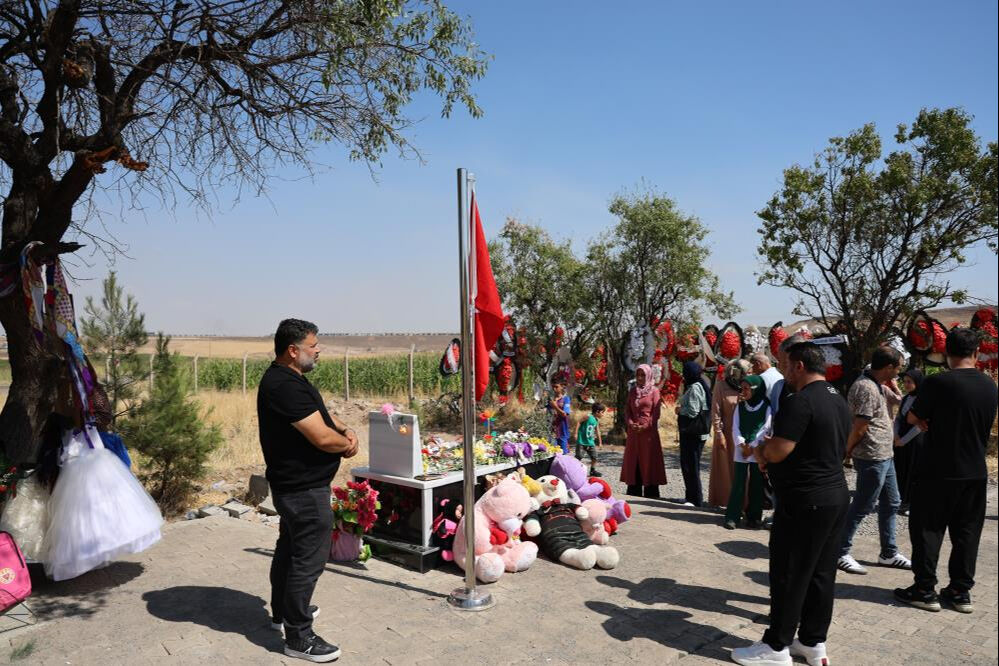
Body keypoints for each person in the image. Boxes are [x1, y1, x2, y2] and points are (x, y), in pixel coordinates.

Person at [731, 342, 850, 666]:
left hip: (805, 500)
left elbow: (777, 450)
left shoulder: (801, 401)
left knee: (789, 572)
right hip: (834, 496)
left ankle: (776, 646)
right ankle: (812, 643)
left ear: (799, 366)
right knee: (821, 574)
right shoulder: (838, 398)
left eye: (785, 364)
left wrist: (761, 452)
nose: (782, 370)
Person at [258, 319, 359, 663]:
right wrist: (344, 444)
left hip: (295, 486)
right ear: (293, 350)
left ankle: (281, 612)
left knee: (289, 549)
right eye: (313, 345)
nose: (318, 351)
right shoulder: (283, 385)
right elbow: (319, 436)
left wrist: (344, 428)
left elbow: (322, 418)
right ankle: (298, 636)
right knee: (308, 560)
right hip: (302, 489)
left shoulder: (291, 379)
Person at [895, 328, 999, 614]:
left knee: (928, 530)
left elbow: (914, 416)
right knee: (967, 533)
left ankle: (924, 589)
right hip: (975, 471)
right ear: (976, 353)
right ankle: (960, 591)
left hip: (938, 469)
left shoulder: (938, 382)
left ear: (945, 354)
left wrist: (928, 419)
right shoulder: (990, 385)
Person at [837, 346, 911, 575]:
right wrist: (845, 453)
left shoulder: (877, 383)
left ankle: (888, 553)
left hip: (885, 454)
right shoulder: (866, 387)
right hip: (871, 455)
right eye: (898, 367)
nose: (899, 372)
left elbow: (899, 400)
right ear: (888, 367)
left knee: (892, 502)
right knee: (863, 504)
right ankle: (839, 551)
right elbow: (860, 427)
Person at [724, 375, 771, 530]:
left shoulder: (766, 406)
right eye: (742, 388)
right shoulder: (741, 406)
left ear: (755, 390)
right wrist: (742, 444)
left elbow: (766, 427)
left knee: (756, 483)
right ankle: (733, 516)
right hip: (742, 449)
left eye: (746, 389)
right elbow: (735, 426)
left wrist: (753, 445)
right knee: (738, 482)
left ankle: (754, 516)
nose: (743, 392)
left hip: (757, 449)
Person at [621, 364, 667, 498]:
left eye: (643, 375)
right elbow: (627, 411)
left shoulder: (654, 391)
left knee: (649, 461)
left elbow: (656, 414)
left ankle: (650, 493)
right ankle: (634, 491)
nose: (640, 378)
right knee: (634, 460)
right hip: (634, 433)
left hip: (648, 434)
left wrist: (645, 426)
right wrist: (630, 424)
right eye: (638, 375)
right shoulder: (633, 391)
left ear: (649, 376)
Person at [708, 359, 749, 508]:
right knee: (725, 469)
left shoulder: (746, 387)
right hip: (726, 434)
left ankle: (744, 503)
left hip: (744, 434)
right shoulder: (721, 386)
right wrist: (719, 433)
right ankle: (725, 501)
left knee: (744, 470)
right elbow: (716, 411)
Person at [675, 361, 712, 507]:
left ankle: (695, 499)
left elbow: (693, 411)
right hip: (692, 433)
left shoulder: (695, 388)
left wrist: (680, 410)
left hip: (693, 434)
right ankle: (690, 497)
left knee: (691, 465)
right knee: (688, 464)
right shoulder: (696, 385)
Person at [892, 368, 925, 515]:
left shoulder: (923, 400)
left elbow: (920, 426)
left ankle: (910, 503)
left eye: (909, 382)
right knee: (901, 469)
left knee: (913, 471)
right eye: (904, 382)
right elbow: (898, 419)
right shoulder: (905, 398)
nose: (906, 385)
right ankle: (901, 500)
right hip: (901, 440)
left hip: (915, 440)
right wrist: (896, 436)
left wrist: (903, 440)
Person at [574, 402, 605, 477]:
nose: (603, 414)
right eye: (602, 412)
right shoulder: (588, 416)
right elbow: (579, 422)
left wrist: (600, 442)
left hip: (590, 442)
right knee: (579, 457)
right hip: (582, 441)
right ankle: (573, 469)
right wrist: (576, 433)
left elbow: (598, 431)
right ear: (597, 411)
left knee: (594, 457)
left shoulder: (596, 420)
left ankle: (592, 470)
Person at [548, 380, 572, 455]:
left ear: (562, 387)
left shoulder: (566, 399)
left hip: (562, 430)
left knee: (563, 454)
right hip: (551, 431)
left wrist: (555, 406)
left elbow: (564, 414)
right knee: (553, 454)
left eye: (556, 387)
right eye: (553, 387)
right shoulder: (550, 400)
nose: (554, 389)